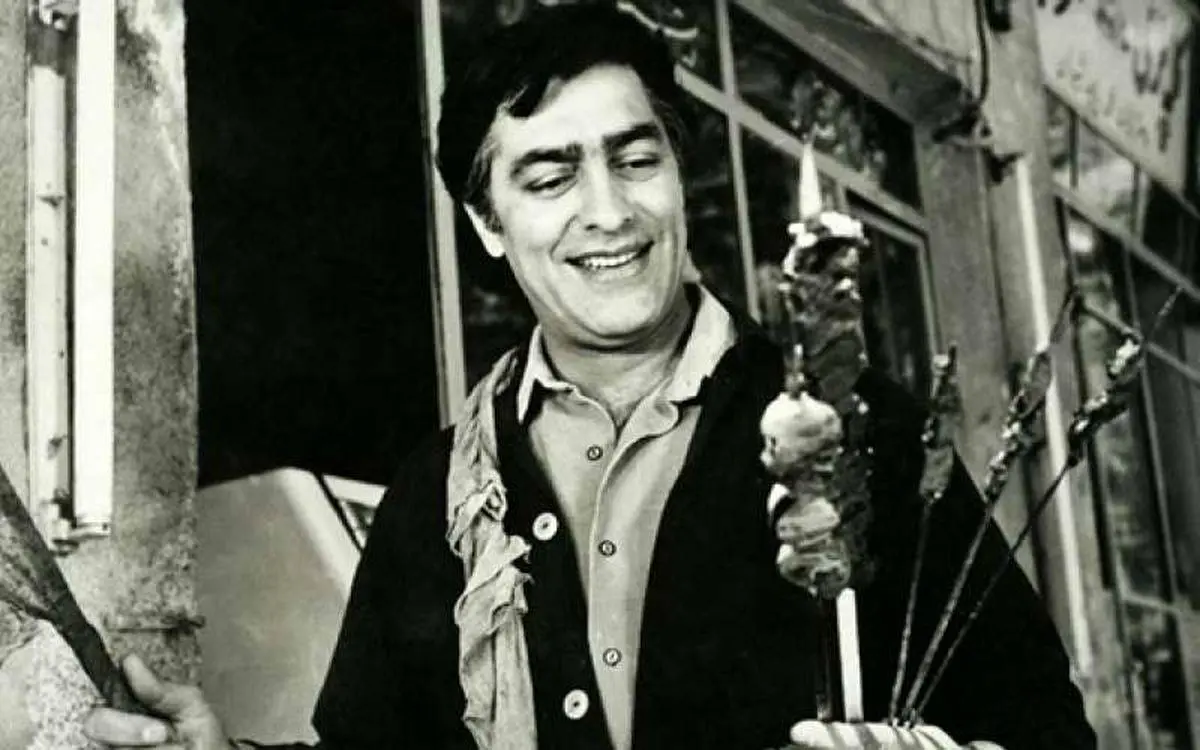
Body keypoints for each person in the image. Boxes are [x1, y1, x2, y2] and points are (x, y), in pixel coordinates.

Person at [85, 5, 1097, 749]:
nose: (607, 212)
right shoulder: (433, 502)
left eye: (634, 159)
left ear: (678, 175)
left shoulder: (854, 431)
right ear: (488, 224)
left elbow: (1047, 731)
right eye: (550, 176)